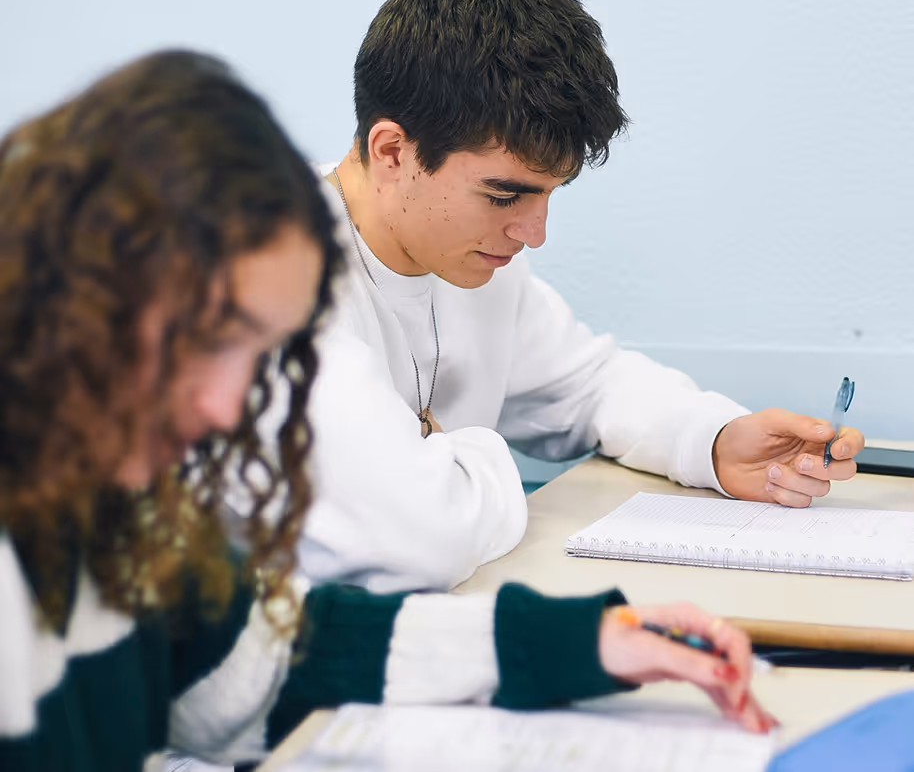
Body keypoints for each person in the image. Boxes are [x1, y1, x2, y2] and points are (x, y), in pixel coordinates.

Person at [0, 51, 774, 772]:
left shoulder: (130, 510)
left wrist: (586, 642)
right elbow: (421, 532)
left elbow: (250, 665)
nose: (230, 406)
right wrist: (480, 452)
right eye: (209, 343)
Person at [296, 0, 866, 593]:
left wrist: (712, 441)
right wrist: (484, 455)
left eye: (549, 193)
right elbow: (418, 542)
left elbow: (588, 386)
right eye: (505, 195)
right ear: (393, 150)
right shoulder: (269, 279)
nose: (532, 233)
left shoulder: (473, 264)